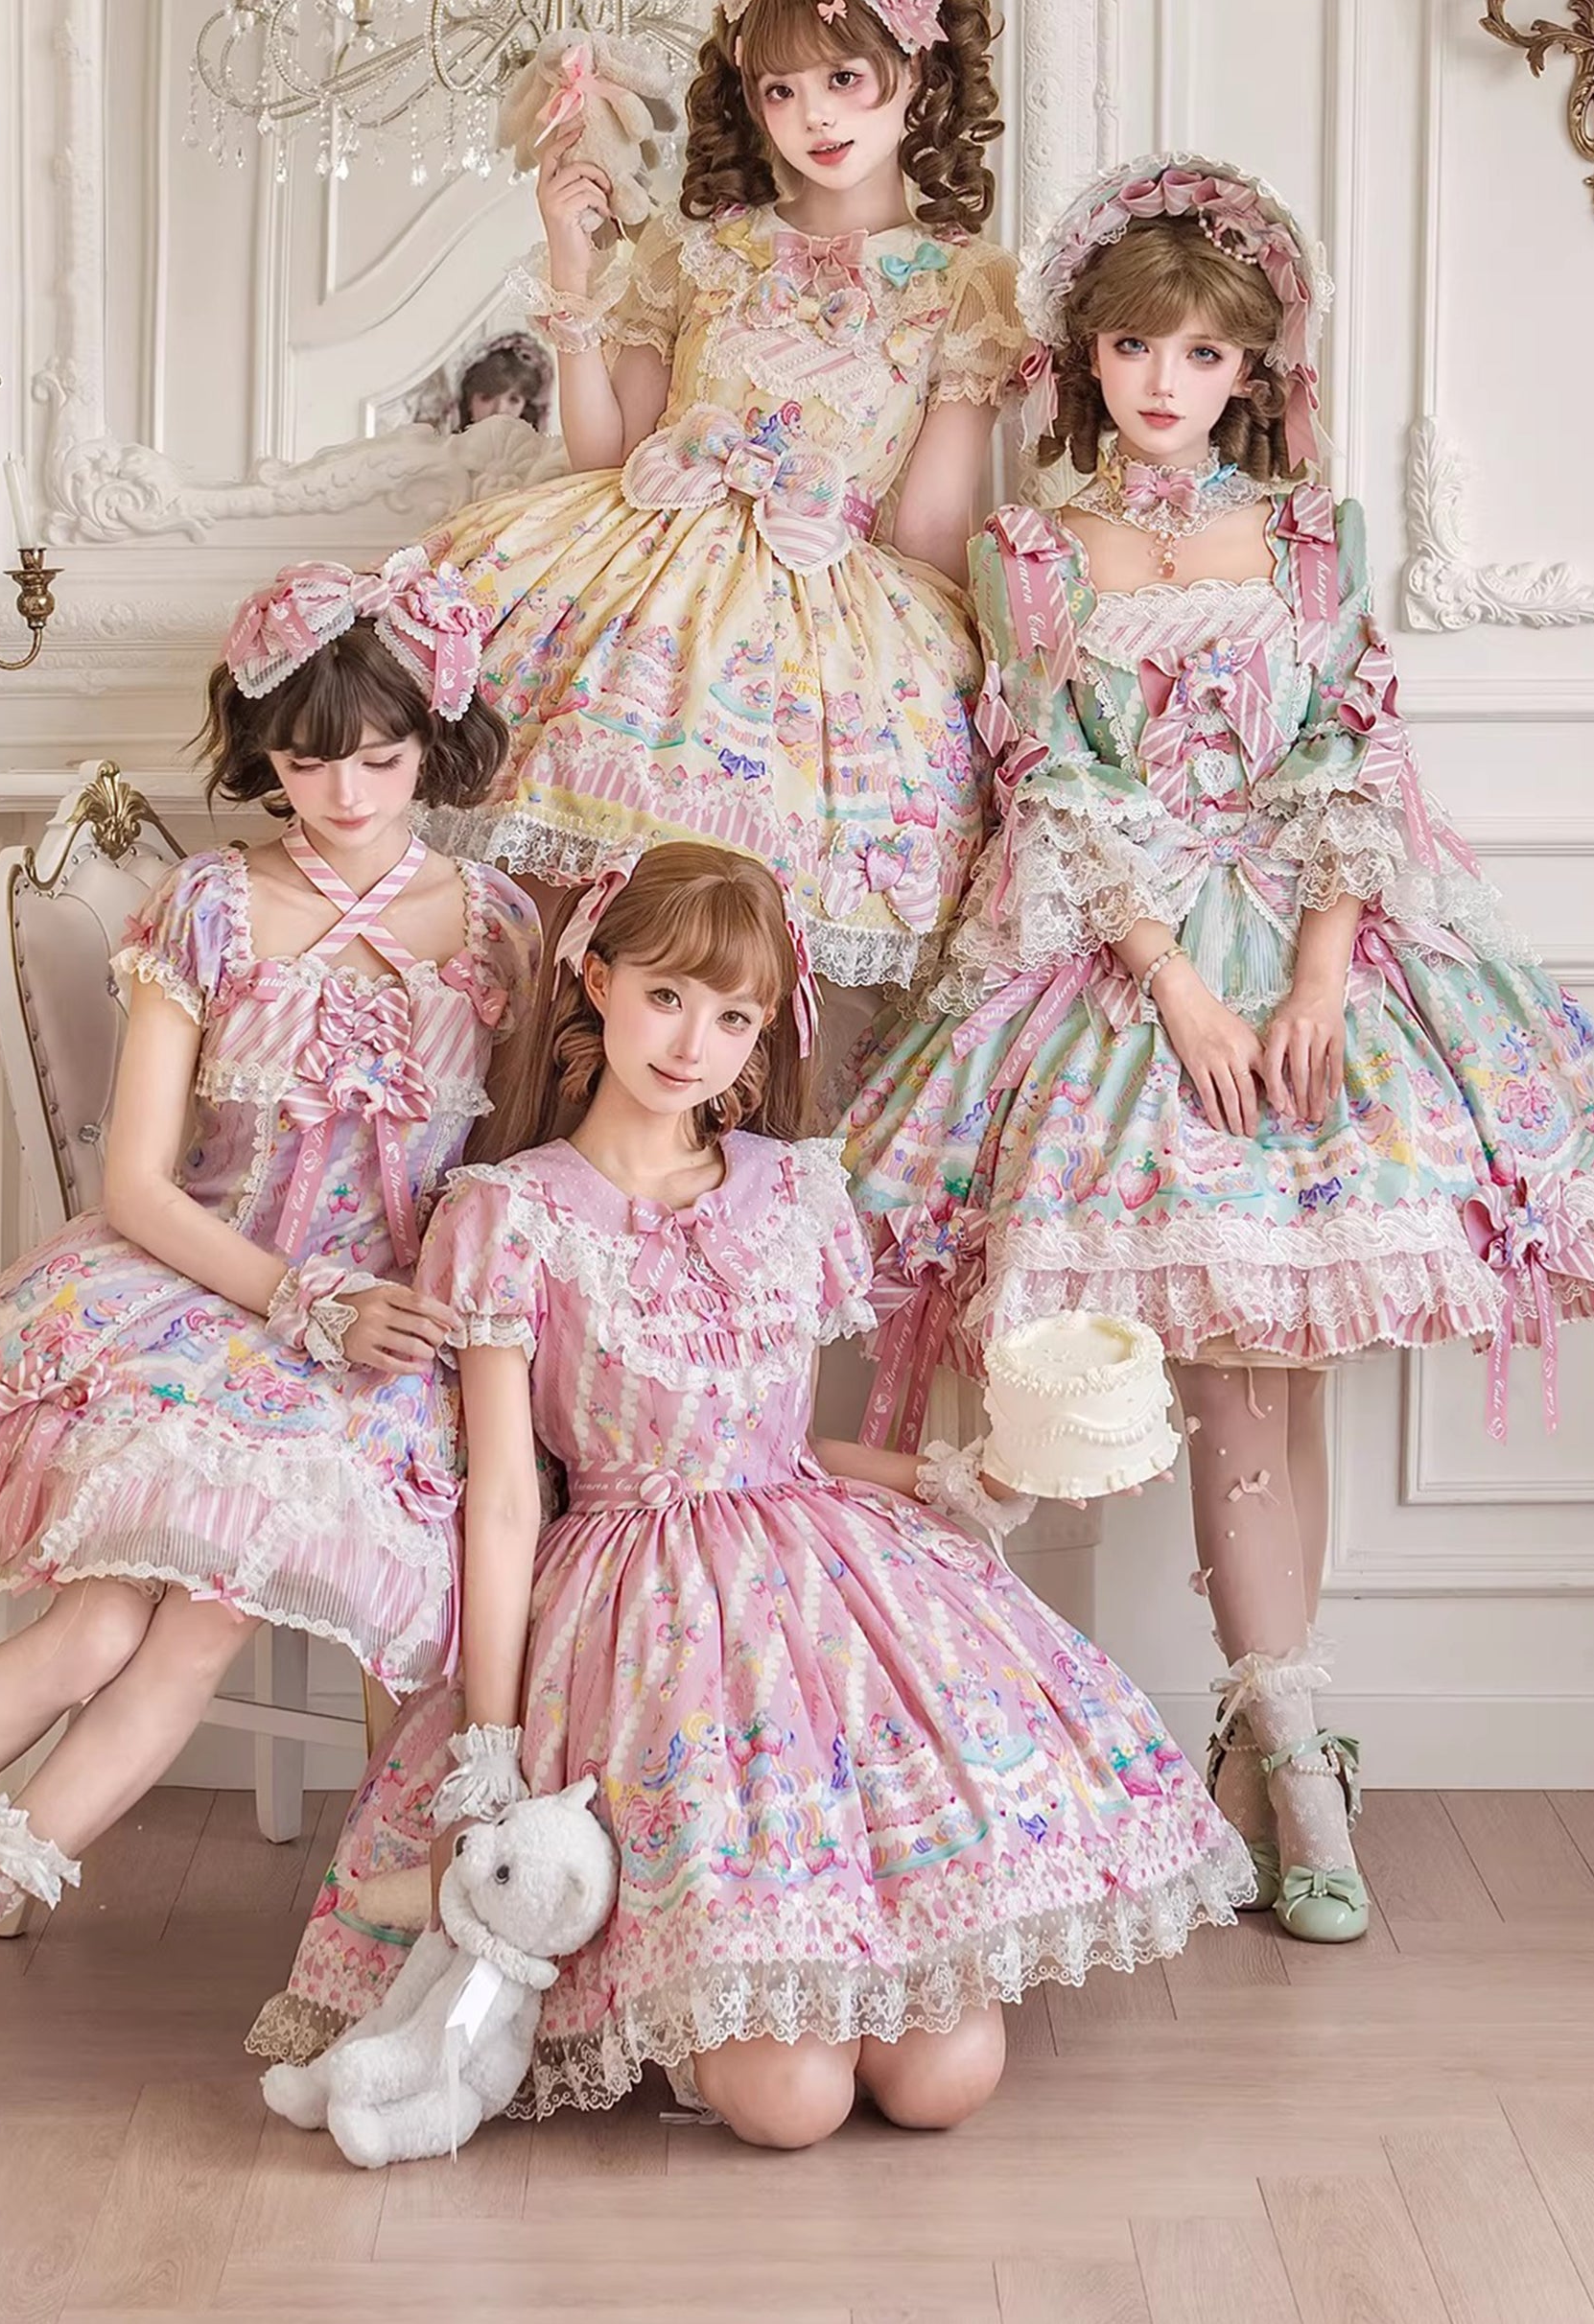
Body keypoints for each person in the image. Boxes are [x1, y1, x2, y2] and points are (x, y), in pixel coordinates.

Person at [844, 155, 1594, 1945]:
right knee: (1193, 1368)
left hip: (1321, 960)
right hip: (1124, 971)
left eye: (1201, 352)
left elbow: (1352, 751)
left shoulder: (1314, 535)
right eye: (1135, 346)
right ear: (1086, 357)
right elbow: (1049, 780)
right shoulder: (1029, 551)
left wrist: (1319, 970)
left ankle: (1281, 1731)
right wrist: (1181, 987)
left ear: (1250, 368)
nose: (1166, 380)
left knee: (1289, 1358)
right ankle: (1242, 1754)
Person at [249, 842, 1248, 2148]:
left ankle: (833, 1963)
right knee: (790, 2103)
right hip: (631, 1607)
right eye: (666, 996)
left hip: (823, 1581)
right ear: (596, 981)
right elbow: (501, 1500)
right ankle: (705, 1999)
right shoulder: (508, 1213)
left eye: (733, 1016)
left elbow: (782, 1446)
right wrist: (488, 1748)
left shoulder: (795, 1189)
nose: (694, 1043)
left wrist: (947, 1478)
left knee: (945, 2081)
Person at [0, 552, 539, 2153]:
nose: (343, 792)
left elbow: (513, 1167)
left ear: (434, 745)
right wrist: (296, 1298)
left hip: (389, 1351)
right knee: (96, 1627)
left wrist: (403, 1319)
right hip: (207, 1292)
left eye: (380, 757)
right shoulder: (211, 905)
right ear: (265, 752)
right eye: (308, 759)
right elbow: (134, 1181)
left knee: (179, 1637)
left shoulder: (503, 926)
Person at [411, 0, 1025, 986]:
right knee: (574, 910)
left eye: (843, 79)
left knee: (735, 927)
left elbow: (930, 527)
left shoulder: (963, 283)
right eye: (780, 89)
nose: (815, 117)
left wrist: (958, 680)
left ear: (917, 72)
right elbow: (608, 456)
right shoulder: (698, 249)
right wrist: (571, 263)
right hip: (639, 572)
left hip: (827, 600)